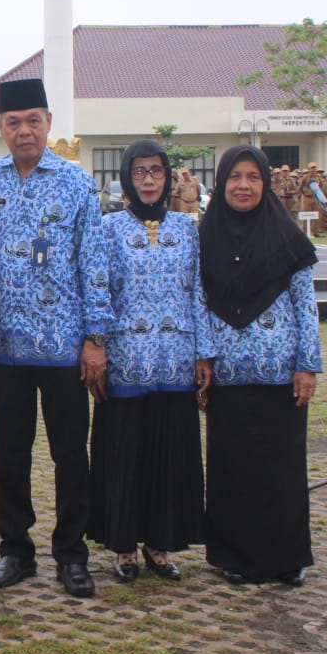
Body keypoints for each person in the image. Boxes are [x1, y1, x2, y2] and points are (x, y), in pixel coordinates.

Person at [0, 78, 112, 598]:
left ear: (49, 123)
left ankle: (71, 554)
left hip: (65, 346)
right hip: (6, 345)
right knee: (11, 453)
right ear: (1, 129)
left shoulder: (75, 183)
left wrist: (95, 338)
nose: (24, 130)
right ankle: (15, 550)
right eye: (14, 122)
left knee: (70, 454)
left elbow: (93, 263)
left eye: (34, 120)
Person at [87, 140, 213, 583]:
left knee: (169, 455)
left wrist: (204, 352)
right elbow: (98, 289)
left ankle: (160, 545)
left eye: (155, 171)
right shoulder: (107, 228)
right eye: (138, 172)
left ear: (168, 176)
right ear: (126, 177)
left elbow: (198, 292)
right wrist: (96, 344)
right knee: (125, 453)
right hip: (125, 360)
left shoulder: (187, 229)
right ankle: (123, 547)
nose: (147, 180)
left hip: (176, 359)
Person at [199, 144, 320, 587]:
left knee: (281, 468)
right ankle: (235, 556)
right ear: (222, 182)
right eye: (234, 177)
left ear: (265, 183)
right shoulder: (205, 235)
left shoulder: (287, 237)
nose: (243, 186)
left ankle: (287, 559)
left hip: (279, 372)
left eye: (253, 177)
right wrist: (204, 357)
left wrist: (307, 364)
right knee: (232, 467)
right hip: (228, 373)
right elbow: (200, 301)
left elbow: (306, 306)